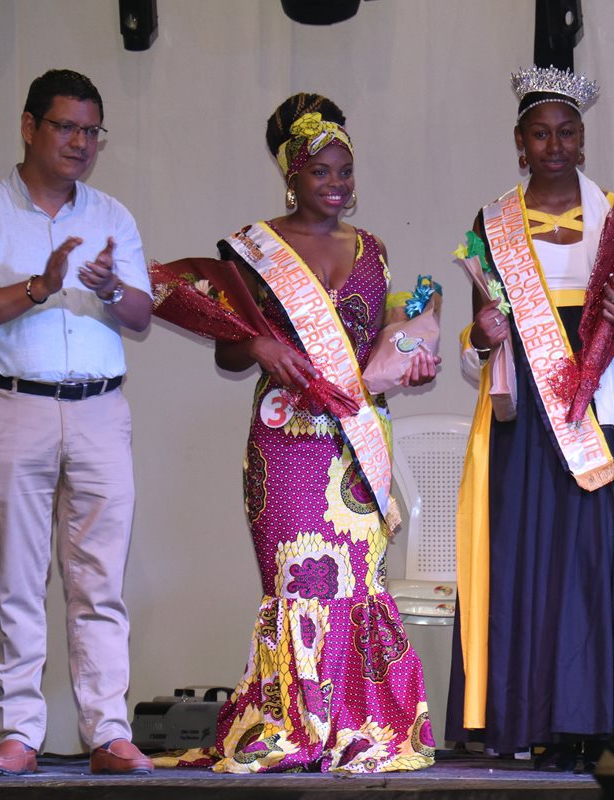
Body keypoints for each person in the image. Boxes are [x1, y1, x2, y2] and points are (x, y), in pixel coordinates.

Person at [161, 93, 437, 774]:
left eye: (346, 172)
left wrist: (413, 355)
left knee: (357, 582)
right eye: (322, 173)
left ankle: (358, 721)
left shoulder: (375, 252)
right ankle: (290, 725)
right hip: (284, 440)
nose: (337, 185)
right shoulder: (255, 249)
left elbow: (385, 344)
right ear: (292, 175)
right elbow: (228, 350)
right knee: (297, 579)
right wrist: (259, 346)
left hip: (355, 439)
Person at [446, 66, 614, 771]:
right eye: (540, 133)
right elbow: (474, 337)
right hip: (528, 418)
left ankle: (601, 721)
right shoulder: (492, 224)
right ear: (519, 141)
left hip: (598, 406)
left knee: (594, 558)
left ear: (583, 138)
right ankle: (527, 718)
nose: (555, 144)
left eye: (567, 131)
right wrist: (479, 334)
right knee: (527, 560)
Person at [0, 69, 154, 776]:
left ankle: (108, 731)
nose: (80, 143)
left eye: (91, 131)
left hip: (102, 408)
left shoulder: (112, 215)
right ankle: (17, 733)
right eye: (66, 127)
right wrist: (40, 287)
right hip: (14, 405)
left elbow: (141, 312)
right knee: (16, 578)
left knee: (99, 582)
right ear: (28, 126)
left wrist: (109, 289)